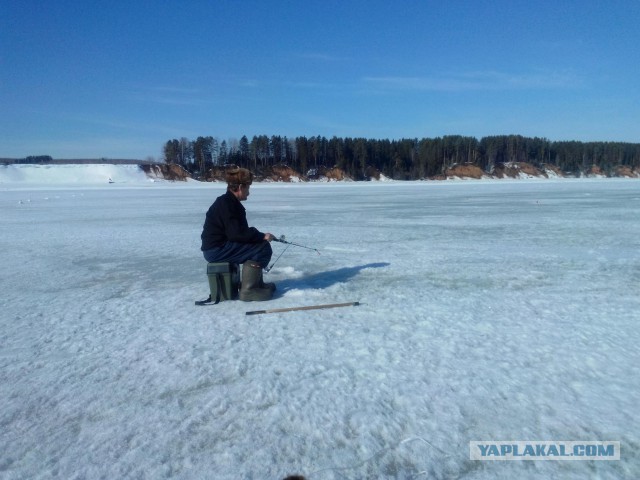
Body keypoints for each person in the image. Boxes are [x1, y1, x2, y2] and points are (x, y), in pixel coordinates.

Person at [201, 167, 276, 301]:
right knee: (263, 249)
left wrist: (259, 237)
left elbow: (239, 233)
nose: (249, 192)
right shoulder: (227, 204)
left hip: (219, 246)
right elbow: (236, 234)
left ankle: (256, 284)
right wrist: (262, 236)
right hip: (216, 250)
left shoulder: (229, 202)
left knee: (260, 245)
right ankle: (249, 291)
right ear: (240, 187)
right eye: (248, 188)